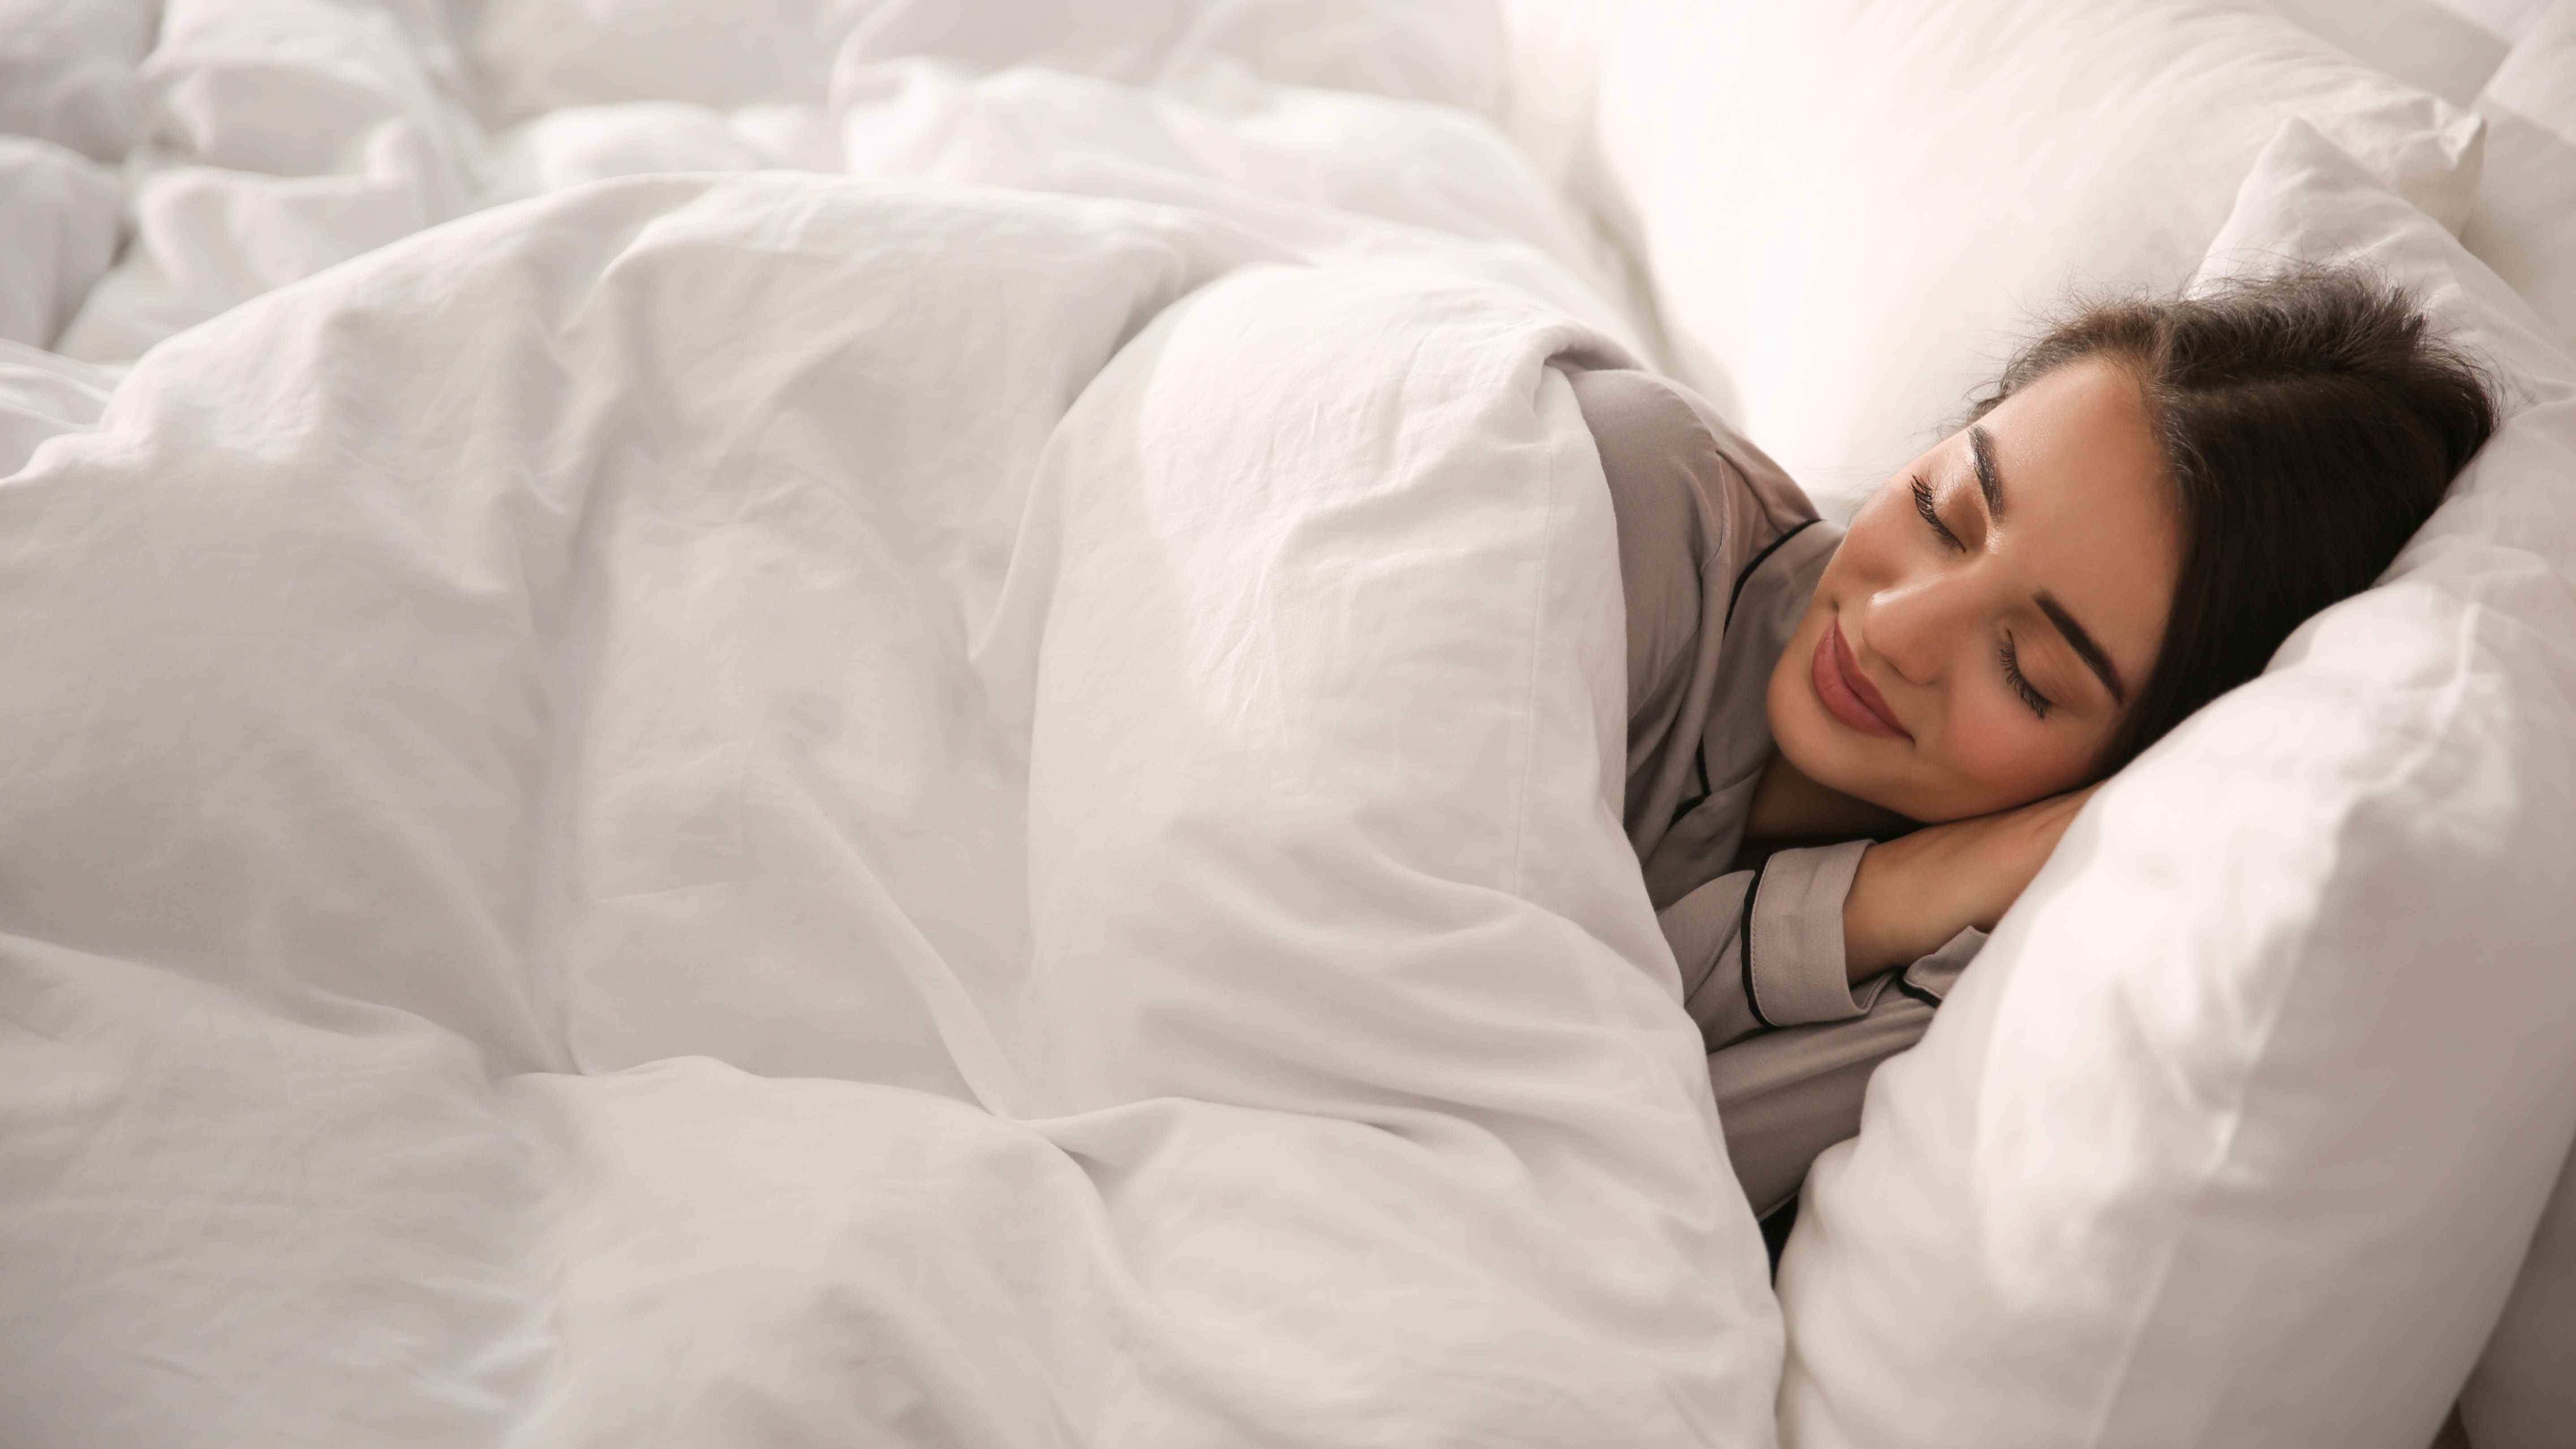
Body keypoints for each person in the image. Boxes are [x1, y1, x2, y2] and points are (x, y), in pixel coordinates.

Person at [1578, 265, 2497, 1251]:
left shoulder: (1988, 991)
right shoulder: (1628, 500)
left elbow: (1599, 1158)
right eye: (1943, 513)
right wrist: (1865, 902)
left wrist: (1873, 909)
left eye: (2027, 671)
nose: (1894, 627)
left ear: (2139, 761)